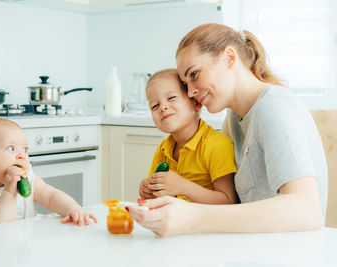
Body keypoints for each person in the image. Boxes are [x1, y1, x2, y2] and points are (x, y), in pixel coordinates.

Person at [127, 23, 328, 237]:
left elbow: (307, 211)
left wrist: (192, 216)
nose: (192, 92)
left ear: (229, 58)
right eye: (186, 84)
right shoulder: (234, 118)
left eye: (194, 74)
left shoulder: (274, 108)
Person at [0, 117, 97, 230]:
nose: (21, 156)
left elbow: (51, 196)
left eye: (25, 149)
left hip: (20, 252)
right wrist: (9, 192)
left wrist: (74, 209)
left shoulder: (29, 180)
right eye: (11, 148)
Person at [139, 68, 237, 204]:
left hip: (206, 223)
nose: (163, 107)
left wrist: (183, 187)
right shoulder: (163, 149)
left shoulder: (217, 145)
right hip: (177, 222)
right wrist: (149, 192)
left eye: (171, 98)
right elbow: (160, 196)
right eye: (155, 106)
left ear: (196, 102)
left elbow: (228, 201)